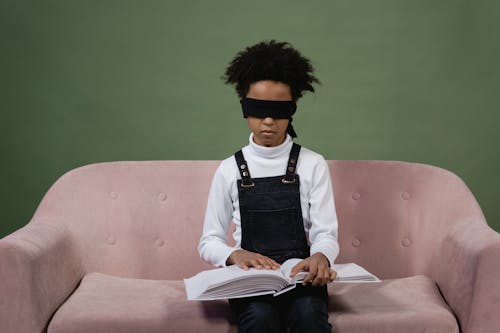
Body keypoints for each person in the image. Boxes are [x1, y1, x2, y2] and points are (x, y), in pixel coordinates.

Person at [198, 40, 339, 333]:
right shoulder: (228, 169)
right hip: (249, 282)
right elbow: (209, 241)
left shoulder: (312, 164)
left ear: (292, 109)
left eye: (278, 111)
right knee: (260, 318)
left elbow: (326, 232)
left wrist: (321, 255)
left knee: (308, 314)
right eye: (257, 109)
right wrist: (235, 255)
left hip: (302, 281)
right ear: (243, 107)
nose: (267, 121)